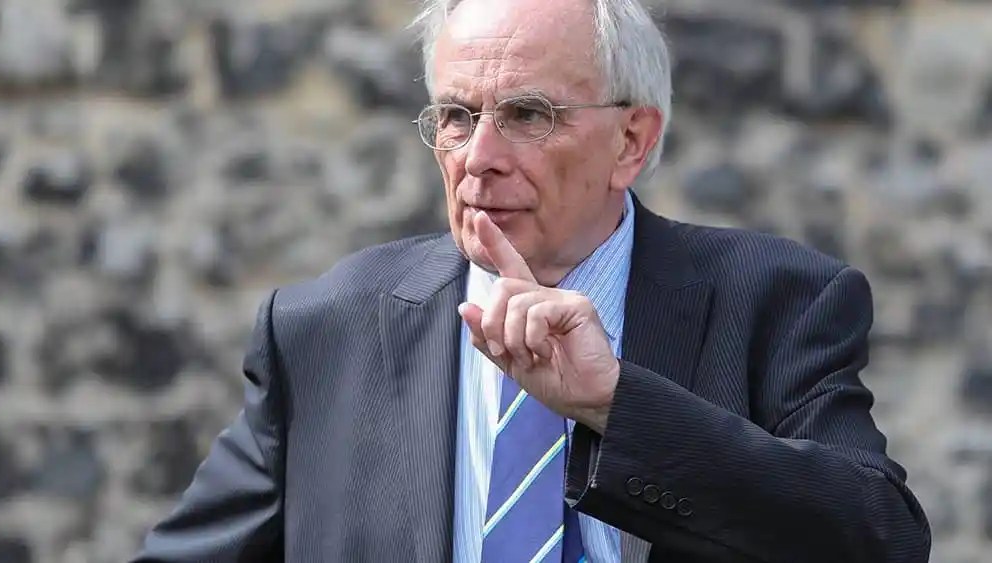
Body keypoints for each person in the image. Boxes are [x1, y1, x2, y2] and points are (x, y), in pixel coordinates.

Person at [133, 0, 931, 561]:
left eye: (527, 115)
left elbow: (882, 538)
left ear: (631, 141)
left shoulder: (775, 302)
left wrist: (617, 404)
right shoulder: (326, 329)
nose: (479, 158)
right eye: (456, 116)